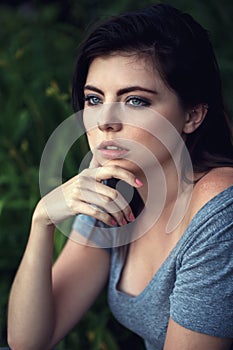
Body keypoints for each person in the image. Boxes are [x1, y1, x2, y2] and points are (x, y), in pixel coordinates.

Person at [7, 3, 233, 350]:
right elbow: (29, 340)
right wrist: (43, 220)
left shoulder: (221, 209)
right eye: (94, 99)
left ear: (192, 115)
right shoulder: (112, 186)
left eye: (136, 101)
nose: (105, 121)